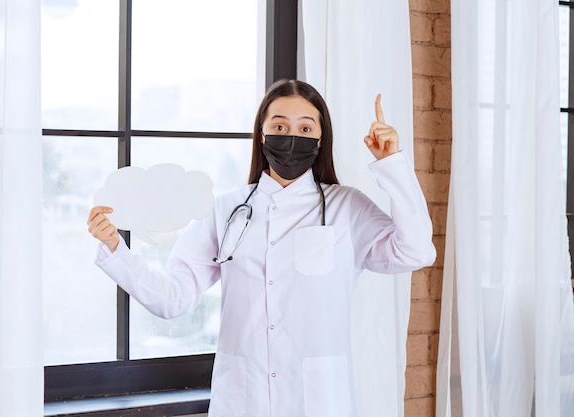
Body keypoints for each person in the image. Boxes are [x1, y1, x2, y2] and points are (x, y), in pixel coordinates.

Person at [88, 79, 436, 417]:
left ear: (319, 139)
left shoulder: (347, 208)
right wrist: (116, 248)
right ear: (262, 135)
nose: (291, 138)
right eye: (280, 127)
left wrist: (392, 165)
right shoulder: (224, 210)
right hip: (243, 399)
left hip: (318, 401)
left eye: (304, 128)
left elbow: (416, 251)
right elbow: (172, 299)